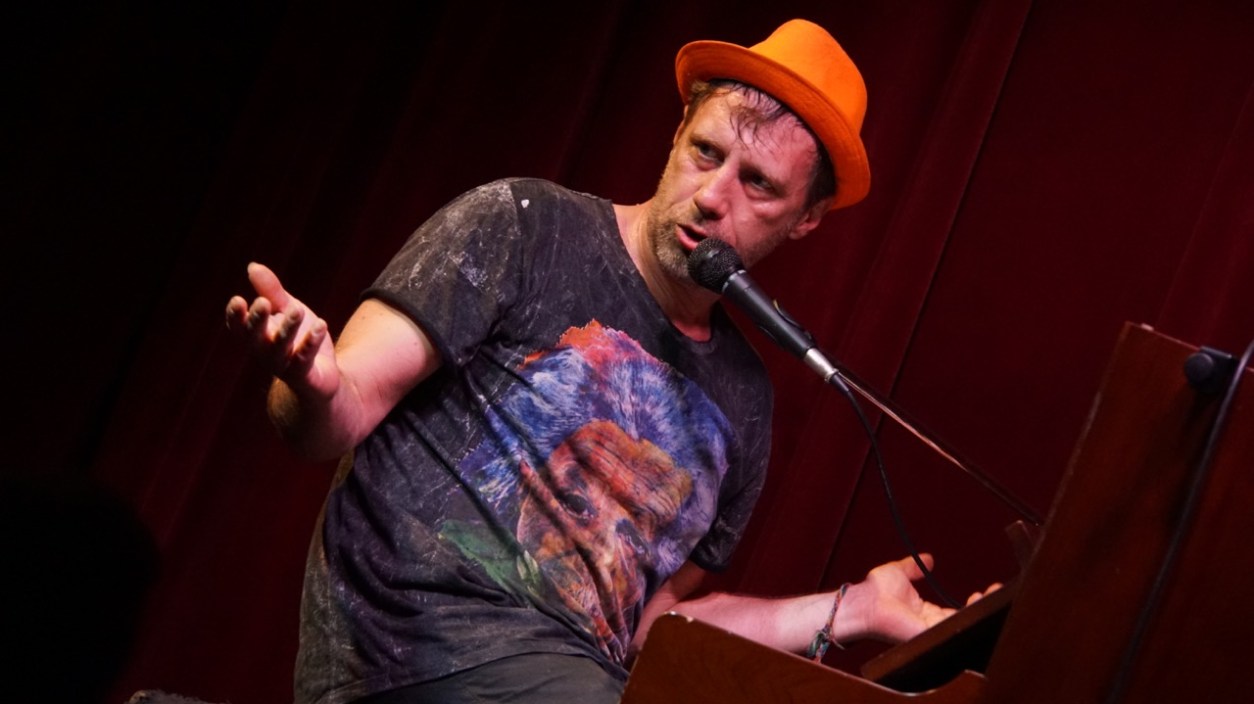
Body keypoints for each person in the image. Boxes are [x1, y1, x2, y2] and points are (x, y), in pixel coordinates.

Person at [226, 18, 988, 704]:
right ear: (677, 133)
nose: (713, 195)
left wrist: (853, 609)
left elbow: (652, 627)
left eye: (758, 183)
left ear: (807, 219)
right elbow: (335, 416)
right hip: (411, 649)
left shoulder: (743, 401)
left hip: (577, 677)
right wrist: (314, 384)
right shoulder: (526, 226)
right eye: (706, 152)